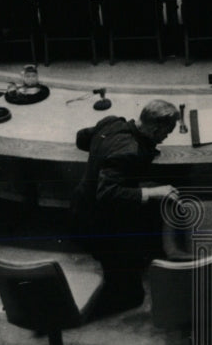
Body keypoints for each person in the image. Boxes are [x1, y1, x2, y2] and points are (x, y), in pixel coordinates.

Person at [70, 99, 180, 314]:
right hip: (97, 224)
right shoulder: (129, 151)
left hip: (81, 205)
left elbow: (82, 138)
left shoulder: (111, 122)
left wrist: (103, 150)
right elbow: (108, 193)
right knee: (131, 295)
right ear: (156, 128)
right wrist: (154, 192)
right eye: (168, 131)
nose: (168, 136)